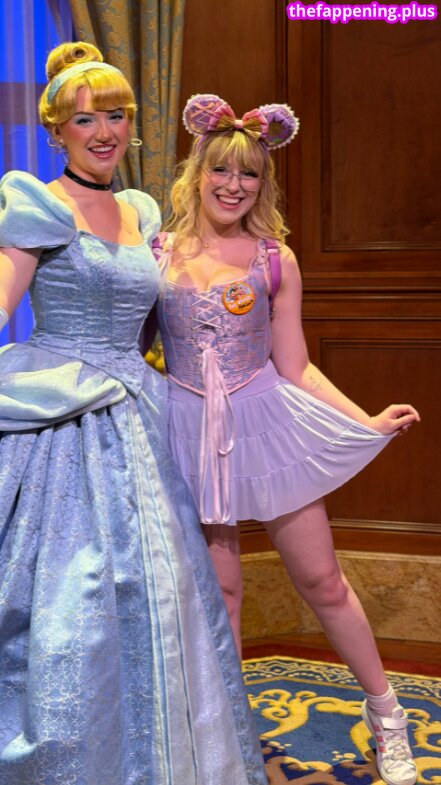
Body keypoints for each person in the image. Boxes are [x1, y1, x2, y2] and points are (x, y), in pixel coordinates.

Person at [0, 49, 269, 785]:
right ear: (57, 131)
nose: (104, 132)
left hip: (139, 414)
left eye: (115, 116)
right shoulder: (37, 204)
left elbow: (159, 316)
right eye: (85, 119)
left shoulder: (142, 210)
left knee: (158, 590)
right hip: (60, 414)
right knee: (71, 596)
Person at [153, 93, 421, 785]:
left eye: (248, 173)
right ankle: (222, 733)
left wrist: (364, 421)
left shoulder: (276, 259)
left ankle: (386, 713)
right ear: (197, 172)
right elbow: (132, 346)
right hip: (185, 430)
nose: (232, 184)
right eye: (221, 169)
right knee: (220, 590)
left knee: (322, 579)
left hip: (264, 426)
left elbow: (296, 366)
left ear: (262, 183)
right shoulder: (157, 252)